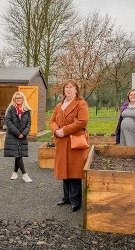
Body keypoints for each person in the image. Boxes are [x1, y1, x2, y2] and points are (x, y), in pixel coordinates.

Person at [49, 79, 89, 212]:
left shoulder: (81, 103)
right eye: (66, 87)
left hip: (74, 141)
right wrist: (56, 130)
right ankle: (66, 197)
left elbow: (82, 122)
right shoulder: (59, 105)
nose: (68, 89)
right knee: (64, 170)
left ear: (76, 90)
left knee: (74, 171)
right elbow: (52, 121)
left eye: (71, 87)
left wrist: (64, 131)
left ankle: (76, 201)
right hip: (61, 142)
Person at [4, 91, 33, 183]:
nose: (18, 99)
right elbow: (8, 122)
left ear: (23, 99)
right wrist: (17, 133)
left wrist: (24, 133)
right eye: (17, 98)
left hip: (22, 135)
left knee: (18, 154)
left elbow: (29, 124)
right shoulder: (11, 109)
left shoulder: (27, 111)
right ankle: (24, 174)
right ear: (14, 99)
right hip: (13, 135)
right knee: (18, 154)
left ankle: (15, 172)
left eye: (20, 98)